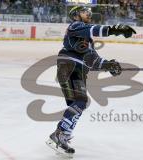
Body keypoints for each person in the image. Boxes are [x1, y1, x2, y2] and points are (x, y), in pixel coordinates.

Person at [46, 6, 136, 155]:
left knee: (79, 105)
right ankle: (60, 133)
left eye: (88, 12)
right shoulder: (75, 26)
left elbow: (94, 61)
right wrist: (115, 30)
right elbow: (93, 29)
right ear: (75, 15)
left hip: (79, 72)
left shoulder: (88, 41)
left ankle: (62, 135)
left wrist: (109, 65)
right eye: (84, 11)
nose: (88, 14)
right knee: (80, 102)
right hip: (68, 67)